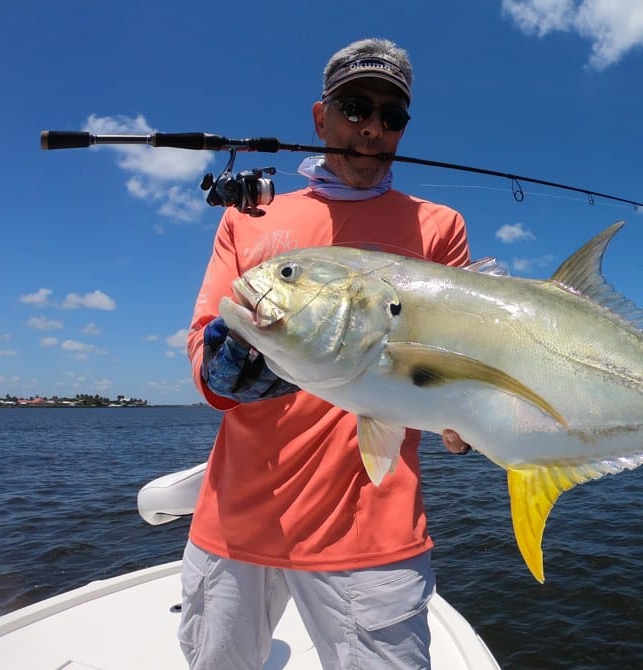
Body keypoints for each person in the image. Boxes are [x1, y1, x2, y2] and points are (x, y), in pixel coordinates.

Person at [181, 37, 471, 670]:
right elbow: (204, 355)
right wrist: (223, 369)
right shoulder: (251, 220)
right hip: (236, 523)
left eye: (391, 117)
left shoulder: (439, 228)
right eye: (354, 108)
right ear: (321, 118)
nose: (371, 128)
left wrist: (471, 418)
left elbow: (454, 364)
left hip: (373, 530)